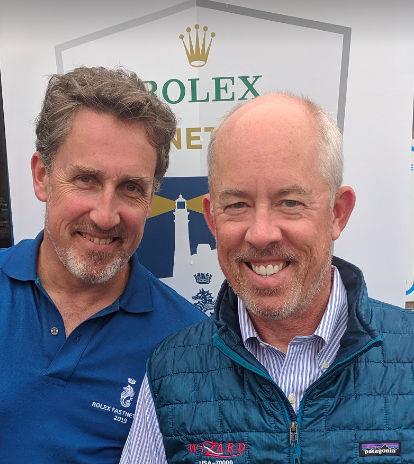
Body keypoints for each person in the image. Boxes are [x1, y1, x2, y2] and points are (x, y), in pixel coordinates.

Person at [120, 93, 414, 464]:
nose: (261, 234)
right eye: (237, 204)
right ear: (211, 218)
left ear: (337, 213)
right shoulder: (169, 372)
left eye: (289, 202)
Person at [0, 66, 204, 464]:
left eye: (130, 188)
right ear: (42, 177)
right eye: (87, 180)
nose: (106, 215)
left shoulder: (187, 345)